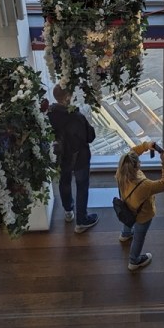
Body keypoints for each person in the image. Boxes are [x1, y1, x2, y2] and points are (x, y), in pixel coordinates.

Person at [47, 85, 98, 233]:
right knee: (82, 185)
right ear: (67, 97)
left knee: (64, 182)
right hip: (79, 156)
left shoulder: (50, 114)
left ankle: (68, 210)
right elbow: (90, 136)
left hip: (61, 156)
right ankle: (81, 221)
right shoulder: (76, 116)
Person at [115, 140, 164, 271]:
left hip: (127, 206)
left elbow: (132, 153)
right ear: (137, 166)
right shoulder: (144, 186)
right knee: (139, 237)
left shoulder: (120, 172)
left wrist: (146, 146)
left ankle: (125, 234)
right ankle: (134, 261)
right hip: (142, 215)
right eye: (139, 162)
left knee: (128, 217)